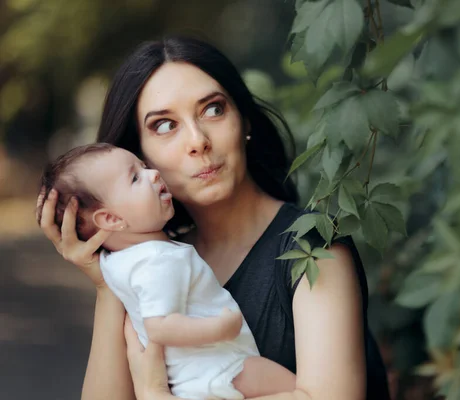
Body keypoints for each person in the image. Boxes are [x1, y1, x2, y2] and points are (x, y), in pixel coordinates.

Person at [38, 36, 390, 400]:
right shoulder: (157, 265)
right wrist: (106, 281)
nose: (198, 140)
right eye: (164, 125)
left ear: (245, 121)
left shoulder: (312, 249)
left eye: (213, 109)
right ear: (137, 156)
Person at [37, 143, 296, 399]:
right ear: (111, 219)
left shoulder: (113, 260)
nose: (153, 174)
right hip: (225, 370)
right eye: (136, 178)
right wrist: (220, 329)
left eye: (144, 166)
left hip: (193, 379)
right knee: (303, 391)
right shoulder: (158, 261)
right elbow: (160, 327)